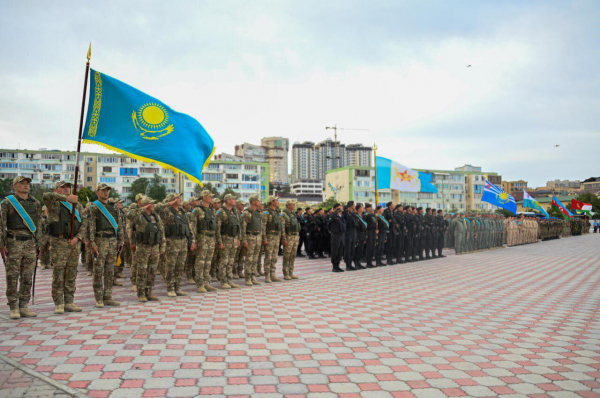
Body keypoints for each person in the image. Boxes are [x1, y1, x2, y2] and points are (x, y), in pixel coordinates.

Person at [1, 176, 42, 319]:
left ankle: (23, 306)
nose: (25, 186)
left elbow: (39, 225)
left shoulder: (35, 203)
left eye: (27, 183)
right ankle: (13, 307)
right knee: (12, 276)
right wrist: (1, 245)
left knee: (27, 276)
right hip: (14, 242)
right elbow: (1, 224)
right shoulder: (7, 203)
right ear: (14, 186)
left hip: (30, 243)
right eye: (22, 183)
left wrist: (39, 244)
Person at [43, 181, 85, 314]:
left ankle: (69, 301)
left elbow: (84, 223)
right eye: (63, 187)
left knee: (71, 273)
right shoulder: (53, 203)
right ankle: (59, 303)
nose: (66, 189)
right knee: (59, 273)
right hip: (58, 242)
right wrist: (66, 198)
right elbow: (46, 196)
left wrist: (77, 238)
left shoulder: (77, 205)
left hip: (73, 243)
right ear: (56, 189)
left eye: (68, 187)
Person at [87, 183, 124, 308]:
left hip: (112, 241)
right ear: (97, 192)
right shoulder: (93, 207)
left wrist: (120, 240)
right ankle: (98, 298)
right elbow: (90, 226)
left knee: (110, 270)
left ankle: (108, 297)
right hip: (100, 240)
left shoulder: (114, 207)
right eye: (103, 191)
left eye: (107, 190)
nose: (106, 193)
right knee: (98, 270)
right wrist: (92, 243)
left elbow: (119, 224)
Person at [157, 193, 195, 297]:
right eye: (177, 198)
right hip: (171, 242)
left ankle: (177, 288)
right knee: (170, 266)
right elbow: (156, 208)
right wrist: (169, 203)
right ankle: (170, 288)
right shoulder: (166, 212)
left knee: (180, 266)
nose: (179, 199)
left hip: (183, 242)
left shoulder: (182, 212)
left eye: (179, 197)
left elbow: (188, 227)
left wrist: (192, 240)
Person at [132, 197, 165, 302]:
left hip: (154, 246)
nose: (154, 205)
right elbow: (129, 216)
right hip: (143, 247)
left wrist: (162, 246)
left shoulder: (156, 216)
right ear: (146, 205)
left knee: (152, 271)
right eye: (152, 204)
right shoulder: (139, 216)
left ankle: (149, 292)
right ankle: (141, 293)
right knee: (142, 271)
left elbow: (161, 231)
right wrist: (142, 208)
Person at [191, 190, 218, 293]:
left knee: (208, 261)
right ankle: (200, 284)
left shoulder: (211, 210)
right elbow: (193, 227)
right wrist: (194, 241)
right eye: (210, 196)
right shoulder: (197, 210)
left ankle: (207, 282)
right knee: (200, 261)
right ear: (204, 197)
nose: (211, 198)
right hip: (202, 237)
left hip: (211, 238)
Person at [216, 194, 242, 289]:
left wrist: (239, 238)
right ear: (227, 200)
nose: (235, 200)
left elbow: (238, 226)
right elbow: (217, 228)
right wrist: (220, 242)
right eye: (233, 199)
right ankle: (223, 281)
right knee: (224, 261)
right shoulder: (221, 212)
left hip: (234, 239)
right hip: (225, 239)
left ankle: (229, 280)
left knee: (231, 261)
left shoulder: (234, 212)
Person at [240, 195, 263, 286]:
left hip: (257, 237)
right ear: (253, 201)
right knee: (249, 259)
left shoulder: (258, 212)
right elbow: (243, 228)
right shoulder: (246, 213)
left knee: (255, 258)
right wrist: (244, 240)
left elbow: (260, 226)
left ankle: (253, 276)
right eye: (258, 200)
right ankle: (248, 278)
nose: (259, 202)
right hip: (250, 237)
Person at [262, 196, 286, 283]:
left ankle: (273, 274)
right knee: (268, 256)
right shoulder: (266, 213)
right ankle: (267, 275)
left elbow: (281, 226)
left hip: (276, 237)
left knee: (275, 257)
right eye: (276, 200)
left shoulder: (277, 212)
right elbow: (263, 227)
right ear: (271, 202)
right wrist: (264, 238)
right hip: (269, 237)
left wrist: (283, 237)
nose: (278, 202)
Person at [281, 199, 300, 280]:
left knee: (293, 255)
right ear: (288, 205)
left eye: (294, 204)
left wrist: (298, 238)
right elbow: (283, 228)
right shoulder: (284, 214)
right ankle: (286, 273)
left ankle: (291, 272)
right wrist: (284, 239)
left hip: (295, 236)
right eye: (292, 204)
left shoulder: (293, 214)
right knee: (287, 255)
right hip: (288, 237)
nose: (293, 205)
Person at [329, 203, 346, 272]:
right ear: (337, 208)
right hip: (335, 234)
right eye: (340, 206)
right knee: (335, 250)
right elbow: (332, 217)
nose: (342, 207)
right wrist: (336, 210)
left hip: (341, 234)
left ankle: (338, 265)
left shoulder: (341, 215)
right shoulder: (333, 214)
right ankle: (334, 266)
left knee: (340, 250)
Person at [343, 201, 358, 271]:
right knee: (348, 248)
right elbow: (347, 221)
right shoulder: (345, 212)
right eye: (354, 205)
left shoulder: (352, 213)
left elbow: (356, 222)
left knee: (352, 248)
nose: (355, 206)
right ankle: (347, 265)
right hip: (348, 232)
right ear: (351, 205)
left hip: (353, 231)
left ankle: (350, 264)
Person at [354, 203, 367, 270]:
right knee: (357, 249)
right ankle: (356, 263)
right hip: (358, 234)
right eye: (362, 207)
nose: (363, 208)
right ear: (358, 209)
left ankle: (359, 262)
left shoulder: (362, 216)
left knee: (361, 249)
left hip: (362, 234)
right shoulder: (356, 217)